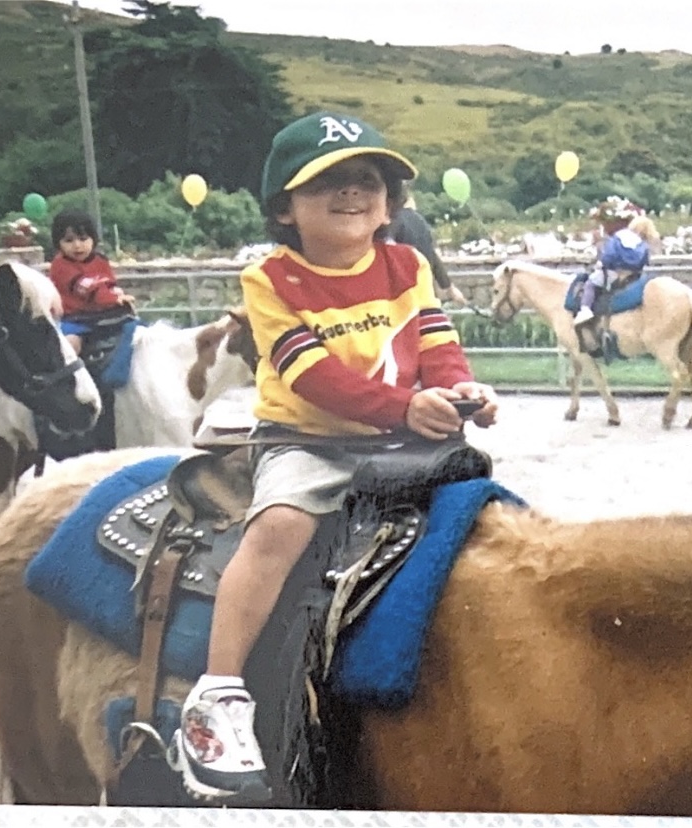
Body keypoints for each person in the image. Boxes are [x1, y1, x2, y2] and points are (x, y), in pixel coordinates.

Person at [174, 111, 498, 802]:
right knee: (280, 528)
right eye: (325, 182)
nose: (352, 193)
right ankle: (219, 693)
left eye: (366, 179)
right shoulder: (270, 279)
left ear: (389, 201)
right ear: (284, 209)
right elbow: (310, 373)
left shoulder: (406, 264)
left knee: (488, 519)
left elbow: (436, 345)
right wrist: (403, 408)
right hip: (312, 439)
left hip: (407, 438)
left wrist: (457, 389)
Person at [47, 208, 135, 354]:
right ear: (59, 243)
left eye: (83, 239)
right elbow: (85, 288)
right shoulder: (60, 266)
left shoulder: (100, 261)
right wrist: (113, 299)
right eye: (69, 240)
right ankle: (73, 376)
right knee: (71, 343)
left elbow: (109, 284)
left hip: (102, 315)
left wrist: (120, 297)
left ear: (93, 239)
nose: (77, 245)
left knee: (139, 330)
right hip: (74, 318)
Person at [573, 214, 661, 326]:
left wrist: (602, 263)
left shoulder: (620, 236)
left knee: (590, 284)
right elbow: (645, 261)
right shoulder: (642, 243)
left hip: (615, 273)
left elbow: (609, 255)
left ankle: (585, 310)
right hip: (632, 276)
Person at [388, 194, 466, 306]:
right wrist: (449, 287)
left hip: (403, 295)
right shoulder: (421, 221)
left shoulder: (392, 222)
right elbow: (431, 254)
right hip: (426, 291)